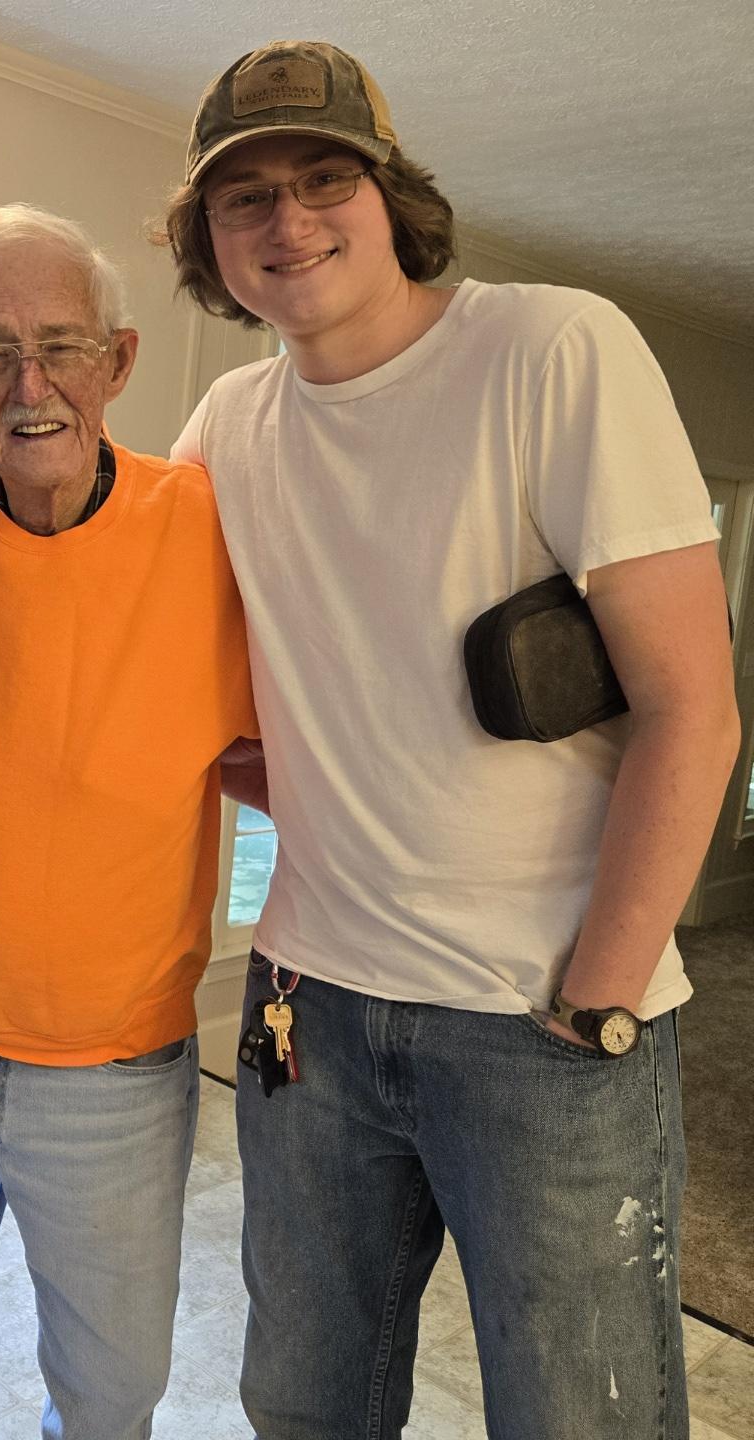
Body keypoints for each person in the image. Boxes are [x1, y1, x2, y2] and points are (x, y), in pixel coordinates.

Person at [158, 39, 739, 1440]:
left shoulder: (553, 348)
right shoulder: (229, 424)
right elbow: (148, 664)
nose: (289, 220)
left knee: (581, 1420)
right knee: (302, 1406)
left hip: (541, 1021)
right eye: (246, 197)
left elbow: (695, 708)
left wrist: (600, 998)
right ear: (208, 239)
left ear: (392, 196)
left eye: (324, 178)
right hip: (306, 1010)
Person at [0, 204, 257, 1440]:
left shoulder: (212, 530)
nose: (31, 386)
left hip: (112, 1073)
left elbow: (308, 746)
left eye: (63, 346)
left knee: (109, 1395)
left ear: (118, 363)